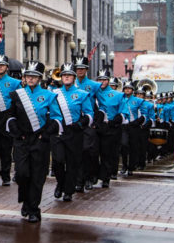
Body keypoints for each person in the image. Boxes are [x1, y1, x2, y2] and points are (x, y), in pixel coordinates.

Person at [6, 61, 63, 223]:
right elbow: (10, 116)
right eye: (28, 76)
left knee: (37, 176)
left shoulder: (49, 95)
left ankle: (33, 209)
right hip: (22, 141)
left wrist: (44, 134)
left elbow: (57, 118)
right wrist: (17, 132)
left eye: (34, 77)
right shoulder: (16, 94)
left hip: (40, 141)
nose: (30, 79)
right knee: (22, 174)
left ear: (39, 79)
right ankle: (25, 199)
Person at [51, 63, 93, 201]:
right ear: (61, 78)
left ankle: (68, 190)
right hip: (58, 131)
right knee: (57, 160)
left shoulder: (82, 94)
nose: (66, 77)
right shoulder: (54, 93)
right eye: (64, 75)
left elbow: (89, 114)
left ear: (74, 77)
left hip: (74, 132)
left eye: (69, 75)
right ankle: (60, 183)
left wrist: (80, 124)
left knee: (72, 162)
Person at [0, 55, 21, 186]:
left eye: (2, 65)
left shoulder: (15, 83)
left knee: (6, 148)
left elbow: (18, 102)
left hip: (7, 118)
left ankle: (6, 175)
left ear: (7, 67)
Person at [74, 57, 101, 192]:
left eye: (82, 68)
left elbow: (101, 105)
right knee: (77, 152)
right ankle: (79, 181)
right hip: (74, 122)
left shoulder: (94, 85)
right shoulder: (71, 84)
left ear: (86, 70)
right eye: (78, 68)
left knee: (88, 151)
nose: (80, 71)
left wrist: (97, 122)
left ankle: (89, 178)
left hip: (89, 122)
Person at [94, 70, 124, 188]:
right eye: (100, 79)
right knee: (92, 153)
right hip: (94, 127)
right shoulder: (92, 93)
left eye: (104, 79)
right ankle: (93, 176)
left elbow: (123, 112)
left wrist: (113, 122)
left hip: (109, 128)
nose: (102, 82)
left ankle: (106, 178)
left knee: (107, 154)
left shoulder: (117, 95)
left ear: (108, 80)